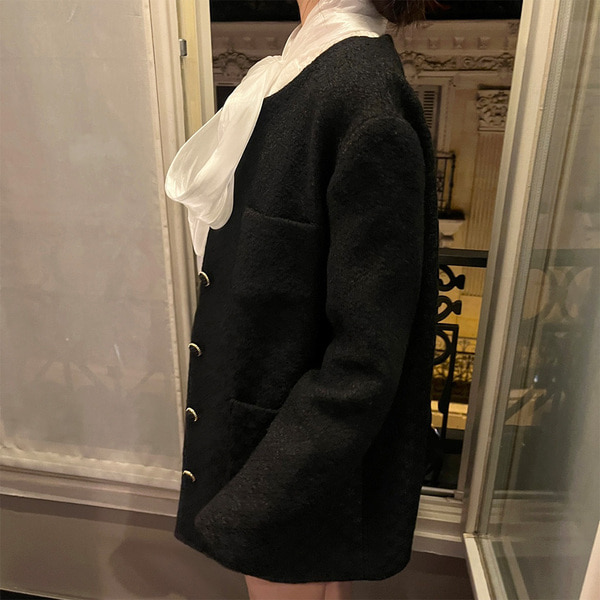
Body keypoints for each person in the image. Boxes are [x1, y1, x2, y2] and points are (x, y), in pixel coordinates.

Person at [164, 0, 438, 598]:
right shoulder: (305, 73)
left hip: (290, 466)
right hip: (273, 451)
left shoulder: (363, 97)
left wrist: (261, 494)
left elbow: (365, 361)